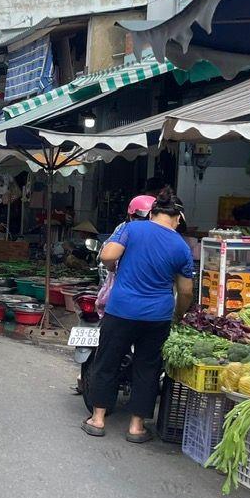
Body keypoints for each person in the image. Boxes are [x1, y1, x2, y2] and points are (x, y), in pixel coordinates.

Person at [84, 187, 194, 443]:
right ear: (178, 218)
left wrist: (114, 268)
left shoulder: (131, 229)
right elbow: (186, 291)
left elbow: (107, 255)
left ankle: (98, 420)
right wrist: (178, 314)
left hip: (122, 309)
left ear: (152, 212)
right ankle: (136, 427)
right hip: (157, 316)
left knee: (108, 361)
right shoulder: (182, 246)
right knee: (147, 368)